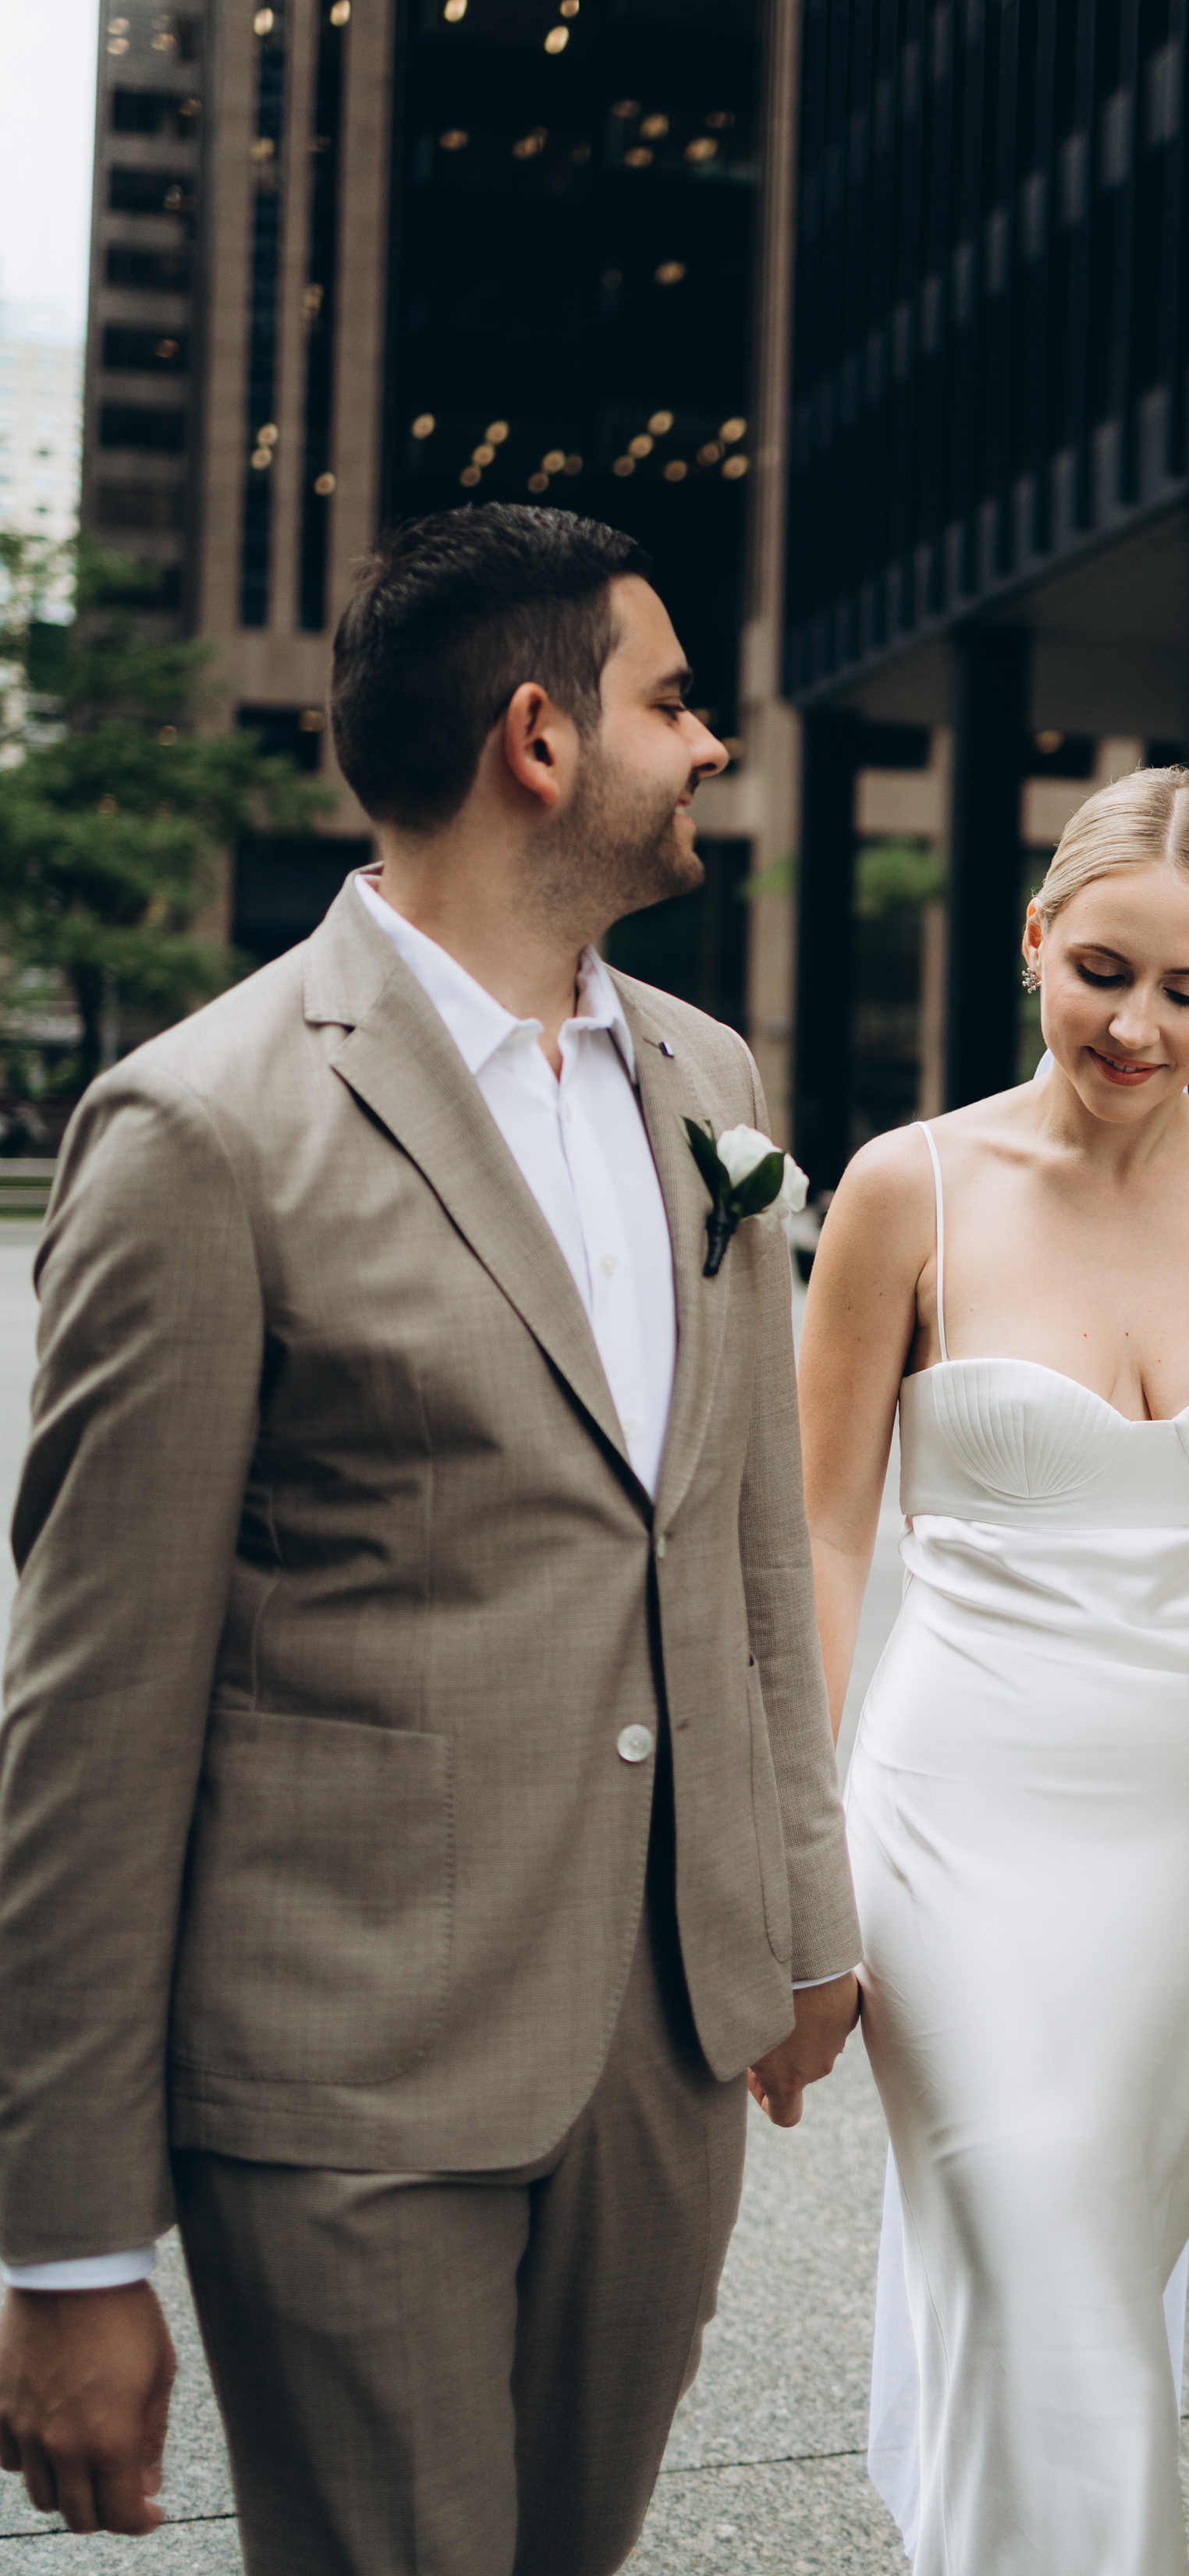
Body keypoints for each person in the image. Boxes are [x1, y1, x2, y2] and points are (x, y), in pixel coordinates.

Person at [0, 505, 861, 2572]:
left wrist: (801, 1913)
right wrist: (64, 2249)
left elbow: (740, 1549)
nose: (715, 745)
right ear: (541, 741)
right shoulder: (202, 1131)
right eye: (676, 700)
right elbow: (92, 1734)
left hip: (662, 2063)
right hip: (346, 2105)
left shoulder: (710, 1084)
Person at [800, 764, 1189, 2575]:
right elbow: (821, 1537)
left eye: (1183, 989)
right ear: (1028, 946)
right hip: (955, 1824)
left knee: (1089, 2274)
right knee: (1042, 2237)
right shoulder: (902, 1192)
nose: (1131, 1026)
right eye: (1097, 971)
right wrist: (790, 1867)